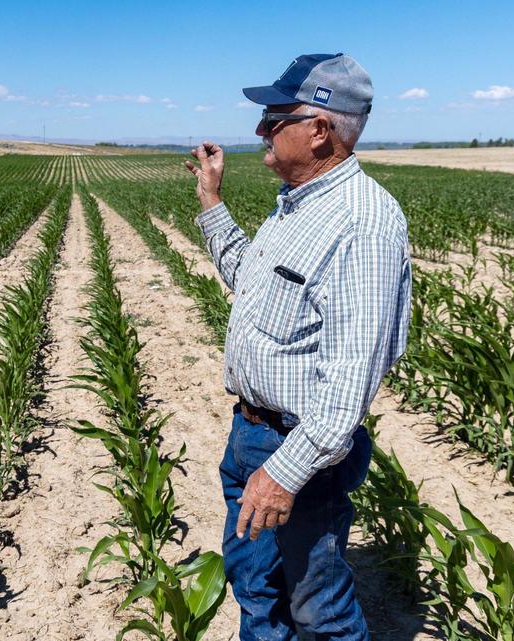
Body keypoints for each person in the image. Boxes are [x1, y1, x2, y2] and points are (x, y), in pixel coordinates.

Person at [183, 53, 412, 640]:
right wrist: (211, 199)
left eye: (274, 116)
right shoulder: (296, 206)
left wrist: (283, 474)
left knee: (321, 612)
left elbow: (348, 386)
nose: (260, 128)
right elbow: (248, 278)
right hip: (251, 435)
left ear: (319, 130)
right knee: (256, 592)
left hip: (300, 453)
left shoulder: (362, 222)